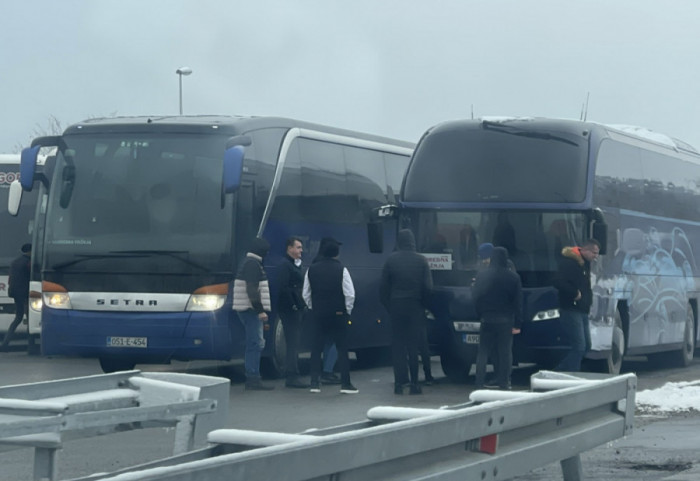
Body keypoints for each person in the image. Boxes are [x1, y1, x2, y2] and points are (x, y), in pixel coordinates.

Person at [380, 229, 433, 395]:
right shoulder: (421, 261)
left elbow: (383, 289)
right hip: (415, 306)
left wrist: (390, 307)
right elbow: (428, 288)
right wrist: (423, 306)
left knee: (398, 347)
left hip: (396, 306)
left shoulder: (391, 260)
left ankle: (398, 384)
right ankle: (415, 384)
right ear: (413, 241)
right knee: (413, 346)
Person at [303, 237, 358, 394]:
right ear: (337, 254)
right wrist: (347, 311)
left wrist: (313, 308)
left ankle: (314, 383)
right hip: (338, 314)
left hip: (318, 314)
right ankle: (346, 384)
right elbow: (350, 294)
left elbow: (306, 293)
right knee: (342, 348)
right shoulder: (342, 270)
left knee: (316, 348)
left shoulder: (311, 269)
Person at [473, 246, 523, 390]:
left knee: (483, 351)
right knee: (505, 352)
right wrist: (518, 323)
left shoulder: (483, 275)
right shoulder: (513, 277)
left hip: (487, 319)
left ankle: (479, 381)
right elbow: (517, 303)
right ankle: (504, 382)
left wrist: (479, 314)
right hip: (505, 320)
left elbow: (476, 297)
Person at [552, 239, 600, 372]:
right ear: (585, 250)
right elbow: (557, 281)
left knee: (586, 346)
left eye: (597, 253)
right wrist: (574, 292)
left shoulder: (585, 263)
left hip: (582, 309)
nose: (596, 256)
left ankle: (564, 370)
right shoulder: (569, 263)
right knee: (579, 346)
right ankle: (566, 372)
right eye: (594, 253)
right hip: (571, 308)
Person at [233, 237, 274, 390]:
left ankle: (253, 376)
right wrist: (260, 310)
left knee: (254, 342)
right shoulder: (253, 264)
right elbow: (252, 289)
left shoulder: (249, 262)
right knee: (254, 343)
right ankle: (253, 378)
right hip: (250, 310)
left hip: (247, 308)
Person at [276, 236, 308, 388]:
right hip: (290, 309)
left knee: (294, 342)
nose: (301, 250)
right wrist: (294, 305)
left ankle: (293, 373)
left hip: (295, 307)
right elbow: (284, 288)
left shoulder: (292, 264)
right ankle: (291, 375)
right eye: (298, 247)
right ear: (290, 248)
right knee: (292, 342)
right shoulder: (285, 265)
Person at [2, 243, 31, 350]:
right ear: (30, 251)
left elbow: (11, 279)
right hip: (26, 294)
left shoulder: (14, 262)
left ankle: (5, 344)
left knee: (18, 318)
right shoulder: (29, 262)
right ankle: (31, 345)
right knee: (30, 319)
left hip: (15, 293)